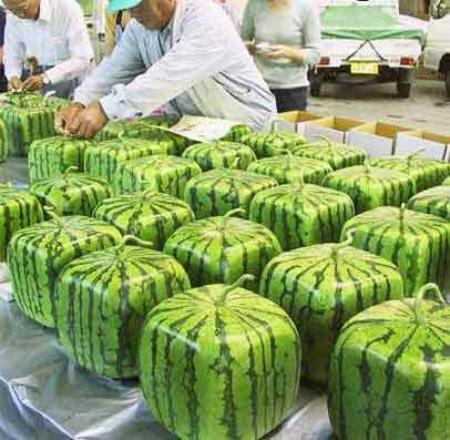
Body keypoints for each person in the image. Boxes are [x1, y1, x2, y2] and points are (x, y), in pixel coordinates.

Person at [59, 0, 276, 139]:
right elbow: (112, 69)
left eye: (138, 5)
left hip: (247, 127)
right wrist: (81, 101)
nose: (133, 15)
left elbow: (168, 75)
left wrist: (106, 108)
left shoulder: (205, 17)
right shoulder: (138, 30)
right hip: (202, 131)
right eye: (128, 9)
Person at [4, 0, 95, 99]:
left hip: (71, 77)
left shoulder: (67, 8)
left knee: (70, 111)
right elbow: (12, 54)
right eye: (12, 10)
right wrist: (13, 76)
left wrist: (46, 78)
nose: (20, 15)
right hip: (36, 77)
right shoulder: (13, 14)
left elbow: (83, 58)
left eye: (23, 8)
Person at [242, 0, 321, 113]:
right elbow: (242, 42)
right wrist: (252, 48)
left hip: (292, 90)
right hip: (259, 87)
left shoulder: (306, 7)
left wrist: (288, 53)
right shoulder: (254, 5)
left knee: (287, 129)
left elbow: (315, 55)